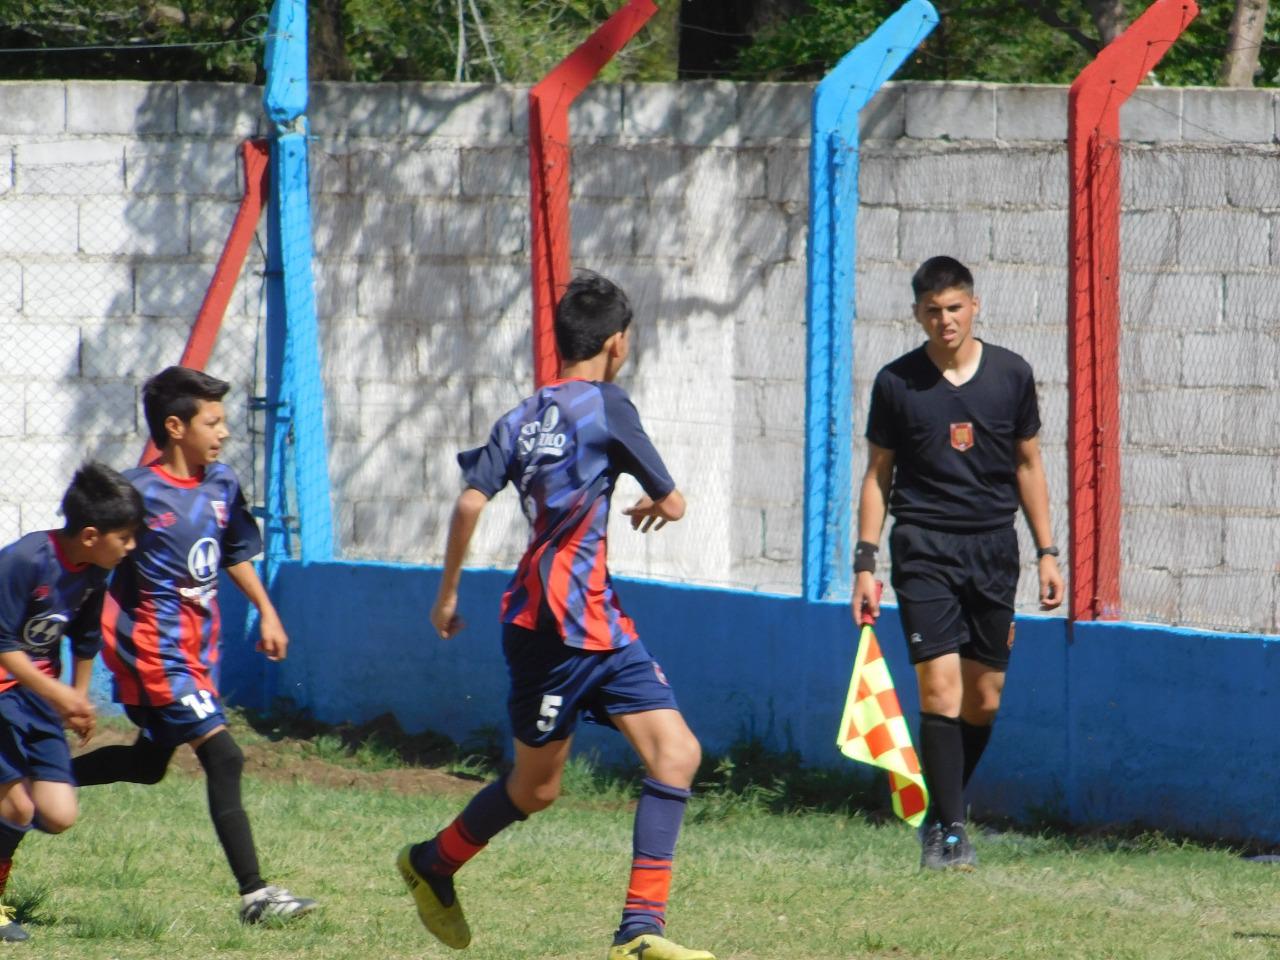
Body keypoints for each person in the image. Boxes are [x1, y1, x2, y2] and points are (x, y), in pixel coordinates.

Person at [400, 271, 714, 960]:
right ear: (617, 343)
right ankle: (432, 862)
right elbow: (674, 500)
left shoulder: (520, 415)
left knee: (677, 752)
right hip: (552, 635)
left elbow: (470, 501)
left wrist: (447, 596)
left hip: (593, 624)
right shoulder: (610, 406)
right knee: (535, 789)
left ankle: (639, 932)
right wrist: (660, 503)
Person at [71, 366, 317, 924]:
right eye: (214, 421)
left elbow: (230, 553)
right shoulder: (137, 494)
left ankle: (42, 773)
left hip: (197, 654)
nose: (224, 432)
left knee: (146, 765)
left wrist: (266, 610)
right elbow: (91, 564)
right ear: (176, 427)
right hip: (152, 653)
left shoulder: (222, 484)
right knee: (225, 756)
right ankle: (256, 896)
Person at [851, 256, 1064, 870]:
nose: (944, 320)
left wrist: (1048, 552)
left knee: (984, 698)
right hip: (923, 547)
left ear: (973, 307)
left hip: (993, 549)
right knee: (939, 687)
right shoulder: (897, 383)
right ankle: (949, 835)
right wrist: (865, 561)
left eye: (954, 308)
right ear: (917, 314)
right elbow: (878, 475)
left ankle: (941, 809)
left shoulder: (1011, 374)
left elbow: (1028, 465)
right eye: (932, 310)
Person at [0, 461, 142, 942]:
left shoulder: (95, 573)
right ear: (90, 535)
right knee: (17, 809)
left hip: (36, 699)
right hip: (3, 694)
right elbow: (3, 644)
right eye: (125, 537)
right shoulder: (24, 561)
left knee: (58, 814)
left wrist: (77, 698)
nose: (131, 546)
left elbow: (84, 639)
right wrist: (58, 692)